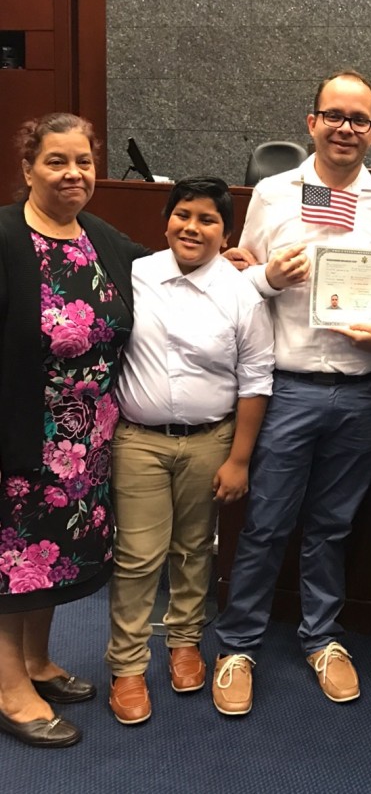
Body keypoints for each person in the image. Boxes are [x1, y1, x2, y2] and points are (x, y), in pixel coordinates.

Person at [212, 69, 371, 715]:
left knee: (332, 525)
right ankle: (237, 645)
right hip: (287, 388)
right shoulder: (272, 193)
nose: (345, 128)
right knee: (265, 525)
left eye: (359, 119)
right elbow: (235, 288)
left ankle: (322, 638)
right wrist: (266, 276)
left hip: (361, 392)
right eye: (334, 115)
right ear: (311, 121)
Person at [0, 113, 146, 748]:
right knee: (14, 562)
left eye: (83, 161)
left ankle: (36, 662)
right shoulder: (5, 237)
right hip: (19, 432)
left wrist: (228, 258)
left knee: (51, 557)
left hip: (87, 440)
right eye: (56, 161)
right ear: (27, 168)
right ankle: (8, 687)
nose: (73, 173)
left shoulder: (100, 239)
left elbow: (161, 272)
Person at [105, 177, 274, 725]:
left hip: (210, 441)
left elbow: (255, 378)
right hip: (139, 442)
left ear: (226, 231)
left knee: (195, 549)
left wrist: (240, 459)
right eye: (183, 215)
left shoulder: (241, 291)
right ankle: (128, 666)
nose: (192, 227)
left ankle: (184, 641)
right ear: (166, 220)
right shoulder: (136, 274)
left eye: (207, 219)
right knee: (136, 558)